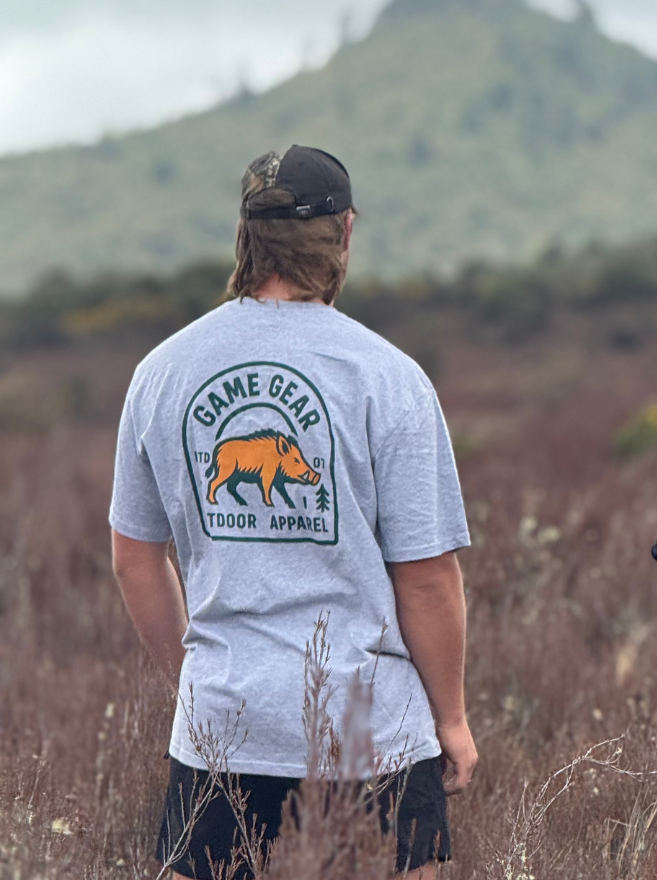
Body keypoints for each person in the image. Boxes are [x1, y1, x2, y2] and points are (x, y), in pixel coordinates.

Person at [109, 145, 477, 880]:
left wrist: (192, 689)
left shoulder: (161, 372)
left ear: (246, 237)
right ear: (344, 234)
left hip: (222, 725)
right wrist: (452, 721)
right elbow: (429, 579)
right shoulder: (390, 378)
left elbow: (134, 558)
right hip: (372, 731)